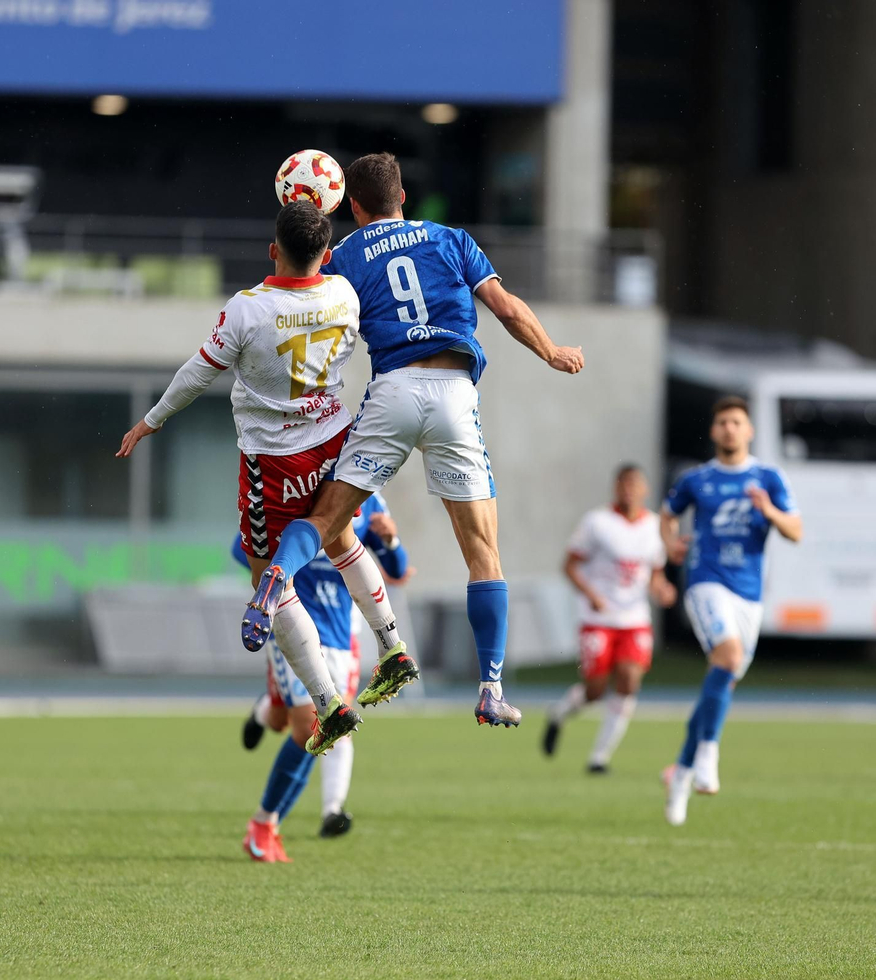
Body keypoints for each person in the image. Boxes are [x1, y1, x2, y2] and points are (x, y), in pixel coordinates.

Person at [245, 152, 584, 730]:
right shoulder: (451, 239)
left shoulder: (344, 256)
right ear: (402, 196)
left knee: (326, 519)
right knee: (482, 552)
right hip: (453, 393)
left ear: (353, 206)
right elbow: (505, 308)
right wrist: (552, 351)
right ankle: (491, 689)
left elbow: (303, 303)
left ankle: (275, 579)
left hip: (393, 391)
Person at [117, 202, 416, 760]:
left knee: (269, 584)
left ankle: (328, 703)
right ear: (326, 254)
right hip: (335, 441)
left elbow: (197, 373)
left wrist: (151, 420)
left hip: (274, 461)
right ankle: (393, 645)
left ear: (273, 250)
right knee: (341, 540)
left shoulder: (247, 309)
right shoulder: (344, 294)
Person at [238, 494, 409, 858]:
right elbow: (244, 551)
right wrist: (284, 565)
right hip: (292, 625)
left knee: (313, 725)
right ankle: (263, 824)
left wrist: (391, 540)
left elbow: (398, 568)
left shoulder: (366, 497)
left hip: (340, 635)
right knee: (307, 728)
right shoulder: (289, 488)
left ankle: (266, 713)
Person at [660, 396, 802, 827]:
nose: (729, 428)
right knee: (728, 657)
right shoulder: (697, 479)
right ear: (714, 430)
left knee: (722, 680)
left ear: (749, 430)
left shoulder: (768, 478)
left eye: (736, 422)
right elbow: (666, 516)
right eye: (722, 422)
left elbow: (795, 531)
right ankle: (708, 754)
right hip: (706, 582)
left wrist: (769, 511)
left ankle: (680, 774)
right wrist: (670, 545)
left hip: (749, 595)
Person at [543, 465, 676, 773]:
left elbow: (654, 574)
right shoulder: (597, 522)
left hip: (634, 619)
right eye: (623, 484)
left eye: (634, 484)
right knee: (595, 690)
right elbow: (569, 566)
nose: (628, 490)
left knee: (629, 681)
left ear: (645, 489)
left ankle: (599, 758)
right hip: (598, 618)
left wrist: (662, 589)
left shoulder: (655, 527)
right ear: (615, 488)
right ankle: (559, 713)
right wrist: (590, 594)